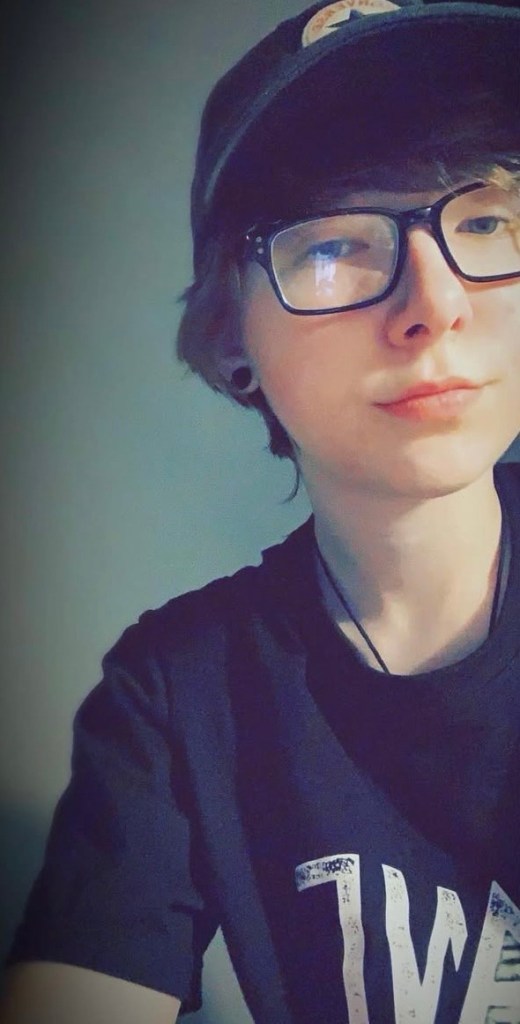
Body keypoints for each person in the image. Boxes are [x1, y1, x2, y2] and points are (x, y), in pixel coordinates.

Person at [2, 0, 520, 1021]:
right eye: (332, 247)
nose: (434, 304)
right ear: (229, 337)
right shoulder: (175, 699)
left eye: (484, 222)